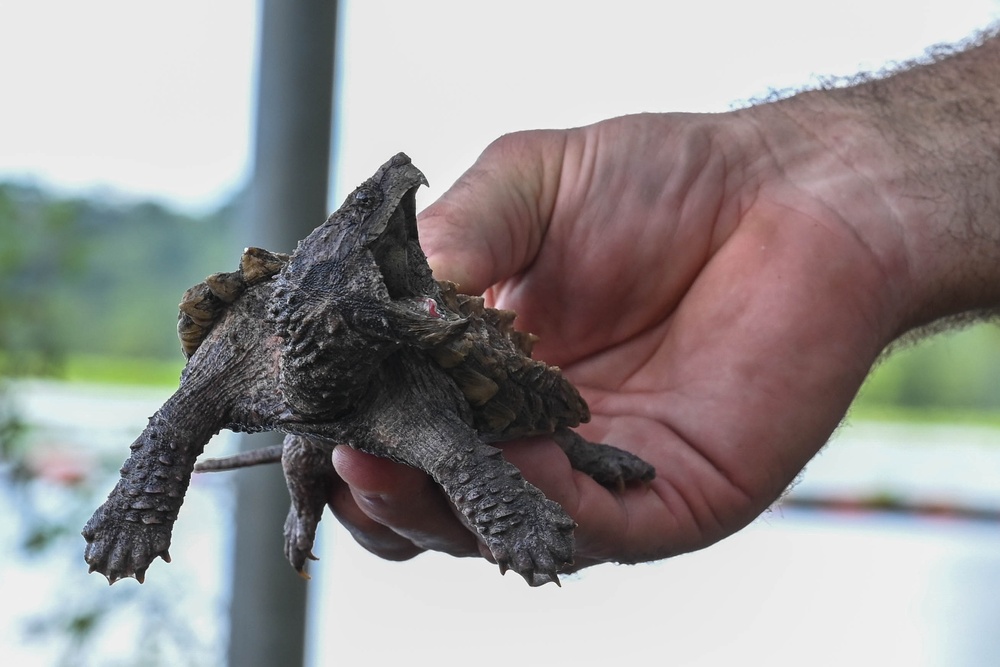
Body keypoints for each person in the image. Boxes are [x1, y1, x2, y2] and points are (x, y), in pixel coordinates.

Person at [326, 30, 1000, 573]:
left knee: (545, 452)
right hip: (440, 397)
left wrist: (844, 204)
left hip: (492, 400)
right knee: (394, 454)